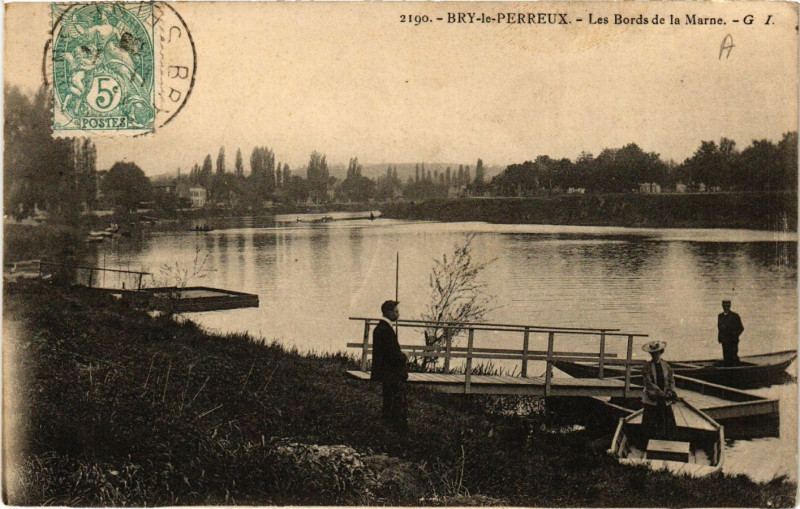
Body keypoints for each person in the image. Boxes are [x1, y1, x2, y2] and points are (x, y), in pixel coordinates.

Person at [370, 300, 408, 433]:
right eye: (396, 312)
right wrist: (403, 356)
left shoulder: (381, 328)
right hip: (390, 371)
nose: (398, 314)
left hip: (386, 370)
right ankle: (394, 424)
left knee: (389, 396)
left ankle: (388, 422)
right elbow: (390, 353)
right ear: (388, 312)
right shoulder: (385, 330)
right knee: (393, 397)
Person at [640, 340, 677, 441]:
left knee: (667, 420)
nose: (655, 355)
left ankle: (667, 442)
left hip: (665, 398)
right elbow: (648, 383)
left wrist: (670, 392)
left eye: (657, 353)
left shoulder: (666, 366)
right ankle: (648, 442)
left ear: (661, 352)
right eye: (653, 353)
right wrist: (660, 393)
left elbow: (671, 380)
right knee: (650, 421)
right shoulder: (646, 367)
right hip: (653, 398)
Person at [718, 299, 744, 366]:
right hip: (724, 340)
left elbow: (741, 328)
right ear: (722, 306)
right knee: (726, 356)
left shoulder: (735, 316)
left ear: (730, 306)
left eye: (727, 306)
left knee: (733, 356)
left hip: (733, 341)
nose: (725, 307)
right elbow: (720, 328)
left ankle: (735, 370)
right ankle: (727, 369)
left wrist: (734, 336)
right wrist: (720, 338)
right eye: (724, 306)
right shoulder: (720, 316)